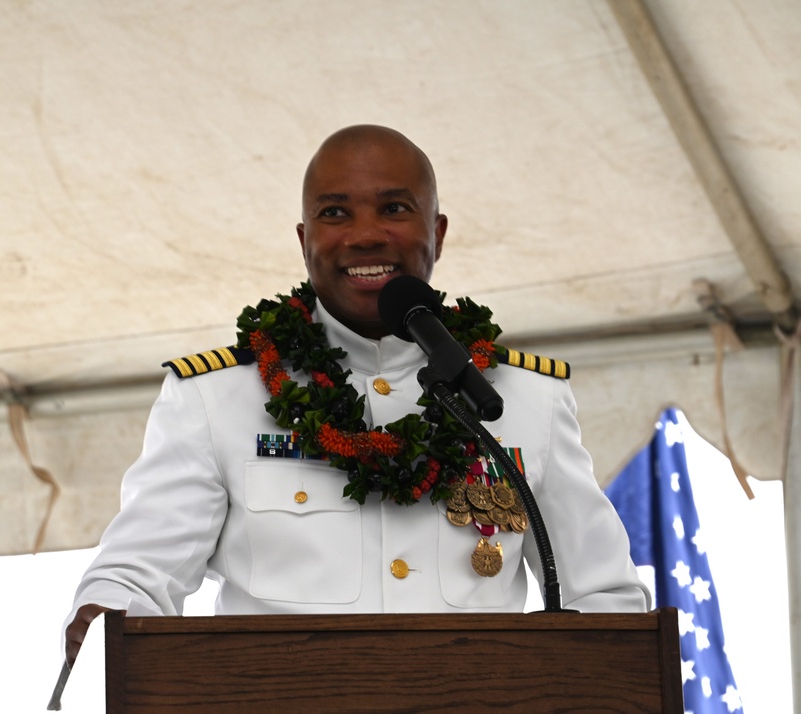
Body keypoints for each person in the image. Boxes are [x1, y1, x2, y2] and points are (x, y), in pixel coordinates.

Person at [63, 125, 650, 666]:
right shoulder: (215, 398)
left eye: (394, 208)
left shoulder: (525, 398)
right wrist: (110, 608)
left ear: (437, 232)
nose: (366, 235)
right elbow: (137, 575)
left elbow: (606, 595)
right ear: (304, 238)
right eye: (335, 212)